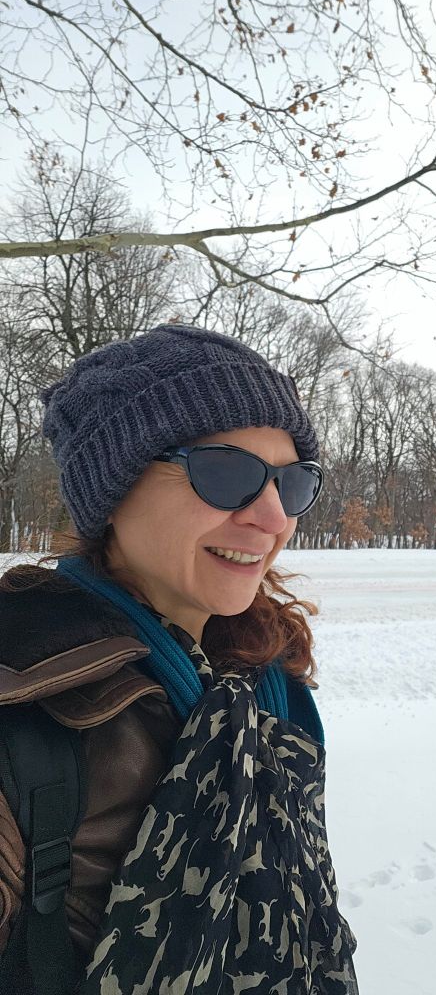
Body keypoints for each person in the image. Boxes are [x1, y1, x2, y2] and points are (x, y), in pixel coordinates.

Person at [0, 323, 358, 994]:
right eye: (227, 473)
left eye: (292, 482)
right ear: (115, 490)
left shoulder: (269, 684)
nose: (273, 518)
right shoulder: (24, 693)